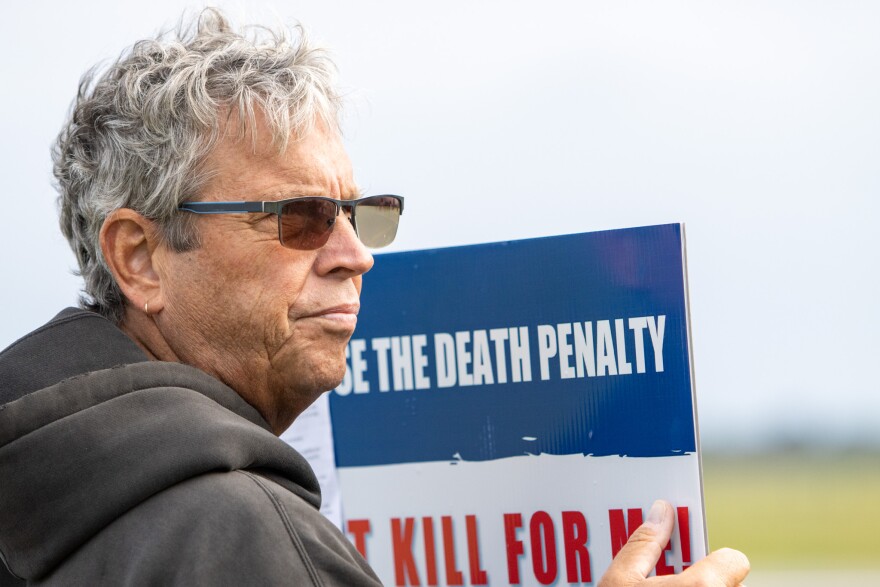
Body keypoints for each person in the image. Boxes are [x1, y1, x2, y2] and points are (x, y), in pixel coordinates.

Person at [0, 8, 749, 586]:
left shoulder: (37, 452)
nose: (356, 255)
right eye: (299, 217)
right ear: (140, 258)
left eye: (359, 213)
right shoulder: (246, 536)